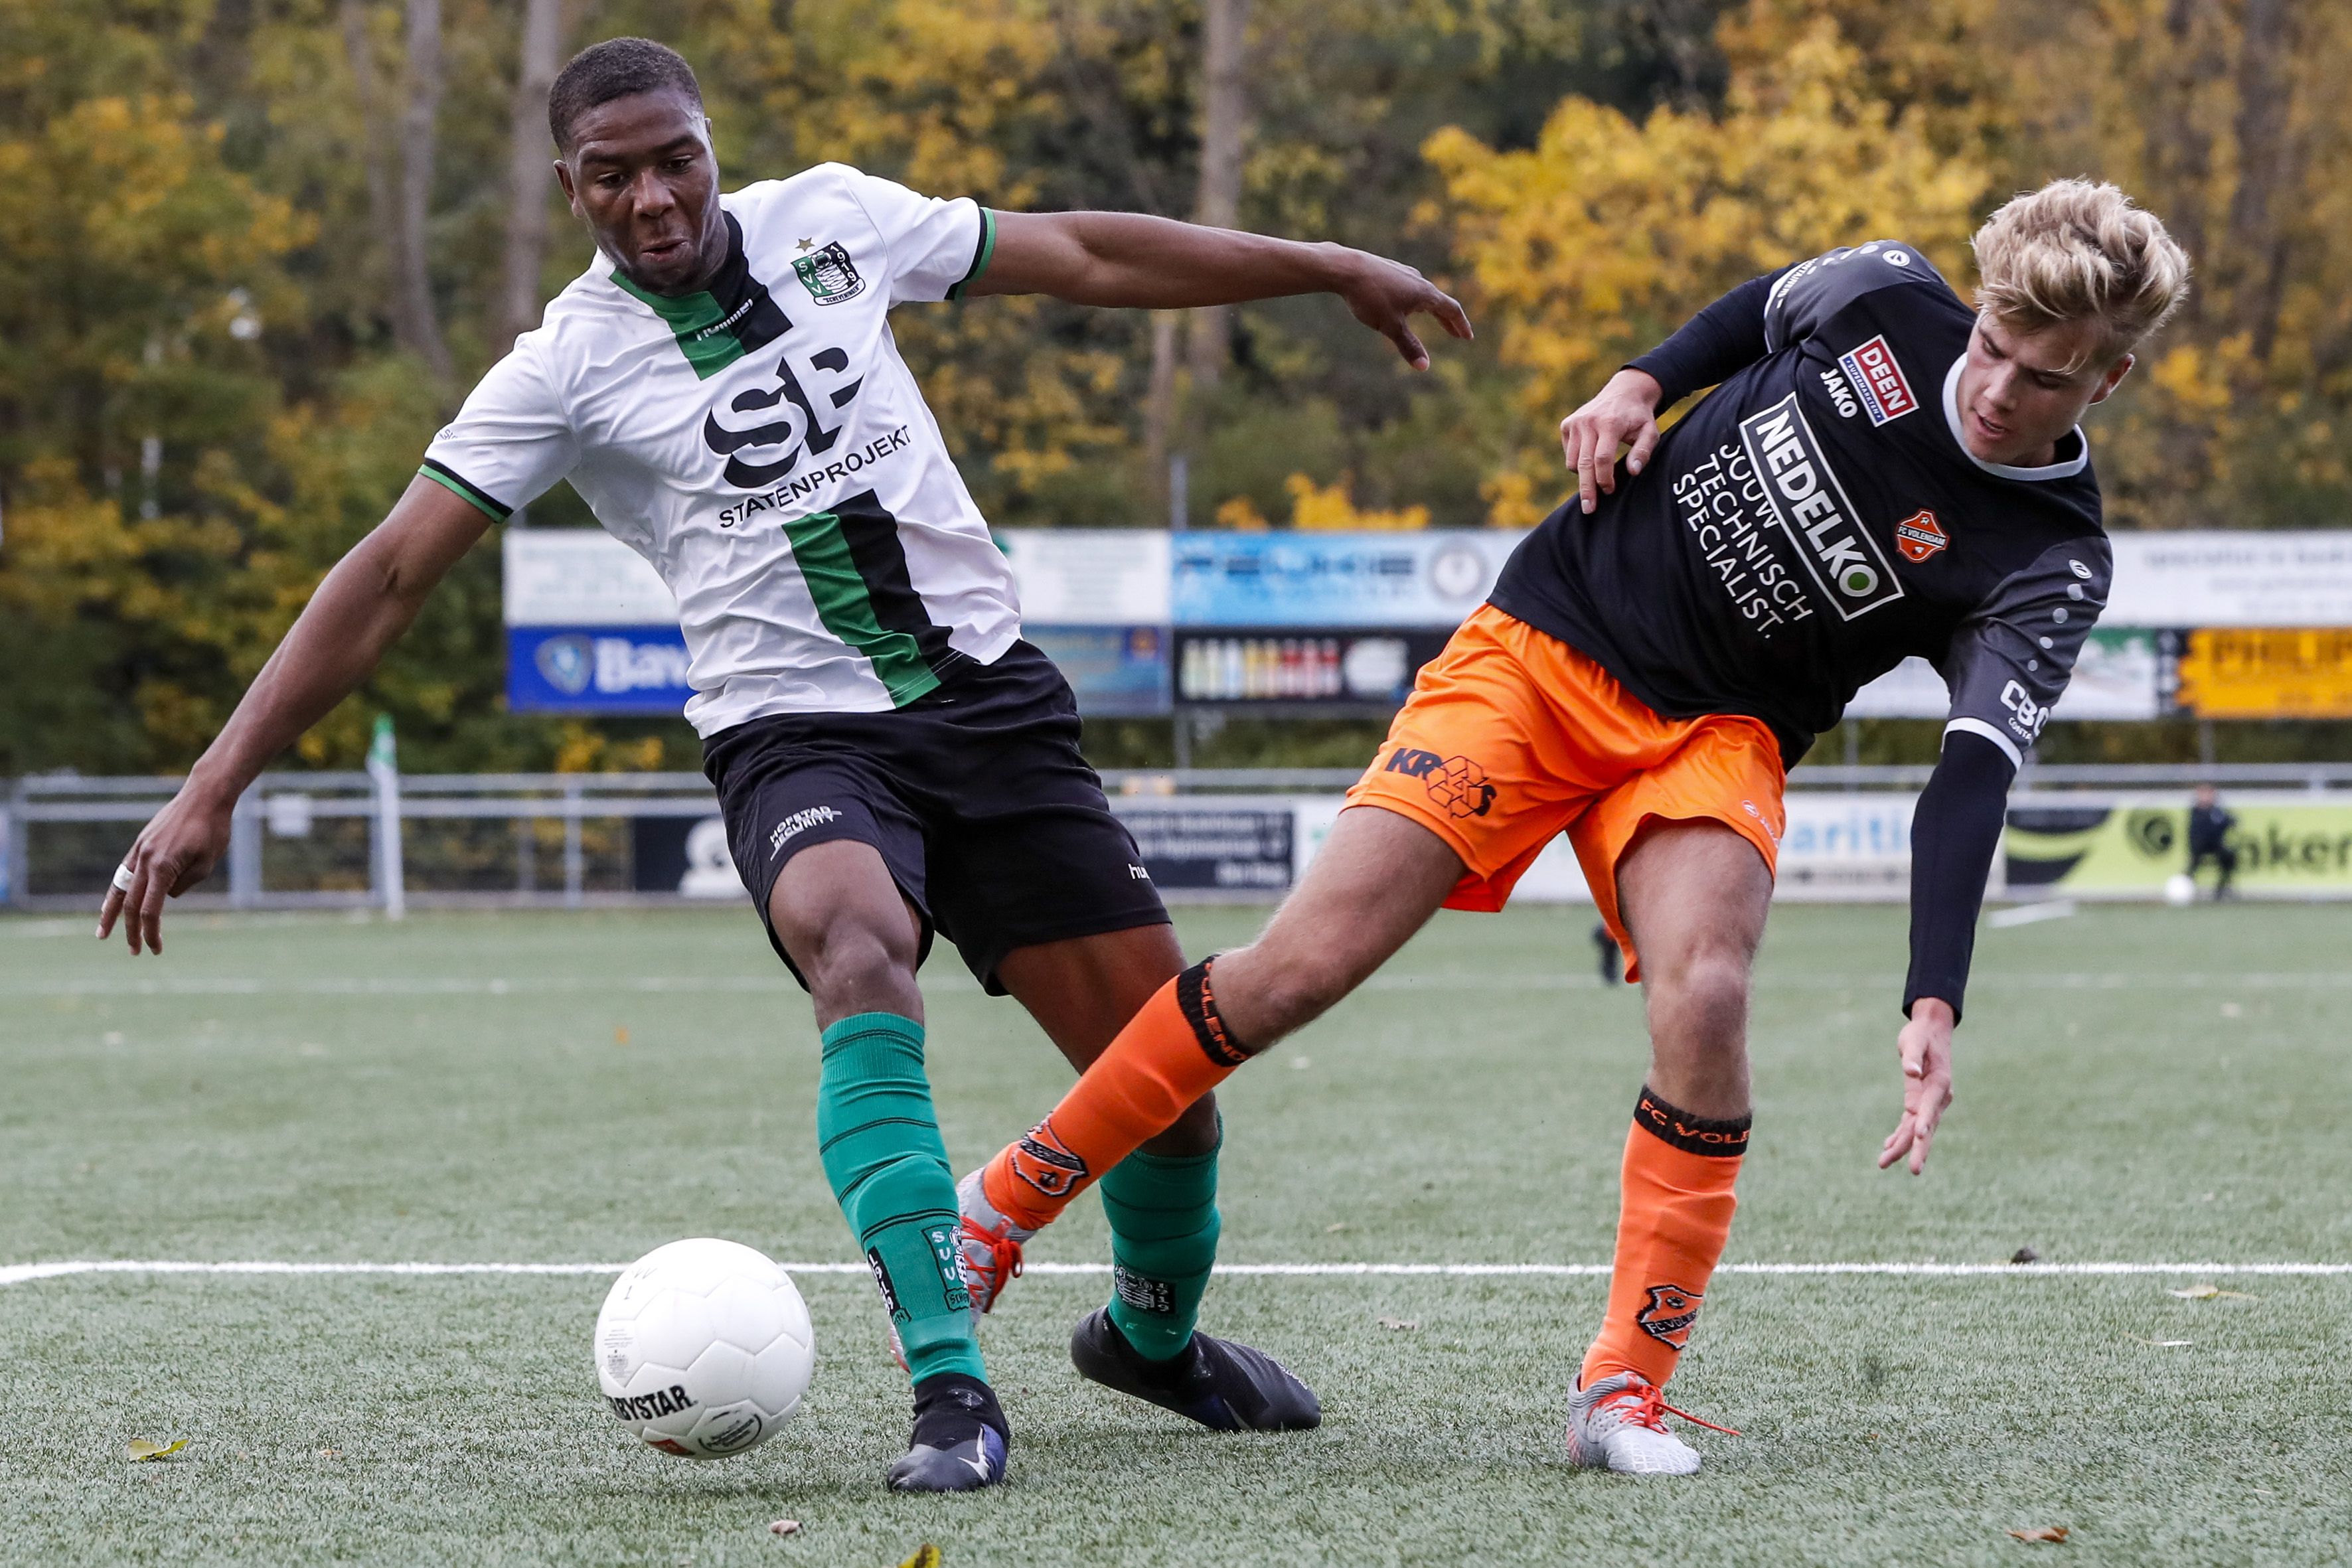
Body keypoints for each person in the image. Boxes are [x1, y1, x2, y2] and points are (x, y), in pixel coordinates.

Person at [92, 37, 1470, 1492]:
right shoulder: (562, 366)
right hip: (790, 734)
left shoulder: (833, 220)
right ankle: (950, 1391)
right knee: (857, 950)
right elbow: (384, 575)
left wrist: (1321, 260)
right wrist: (211, 784)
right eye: (611, 176)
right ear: (572, 189)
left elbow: (1078, 252)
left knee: (1169, 1093)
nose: (651, 199)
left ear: (709, 145)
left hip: (994, 712)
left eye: (672, 159)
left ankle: (1147, 1338)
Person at [953, 179, 2192, 1475]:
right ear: (1976, 303)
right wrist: (1634, 383)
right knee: (1300, 966)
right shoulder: (1881, 291)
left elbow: (1971, 774)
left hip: (1714, 731)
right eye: (1991, 341)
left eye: (2043, 378)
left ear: (2102, 380)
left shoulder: (2050, 554)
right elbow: (1745, 317)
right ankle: (1007, 1200)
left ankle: (1619, 1392)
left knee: (1707, 999)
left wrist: (1932, 996)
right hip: (1549, 640)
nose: (1995, 386)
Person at [2187, 783, 2237, 898]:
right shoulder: (2196, 812)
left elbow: (2228, 822)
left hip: (2215, 845)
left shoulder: (2217, 811)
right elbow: (2194, 833)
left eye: (2209, 794)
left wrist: (2230, 822)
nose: (2206, 797)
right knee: (2194, 861)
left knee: (2229, 857)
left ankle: (2221, 888)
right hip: (2200, 846)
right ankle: (2188, 886)